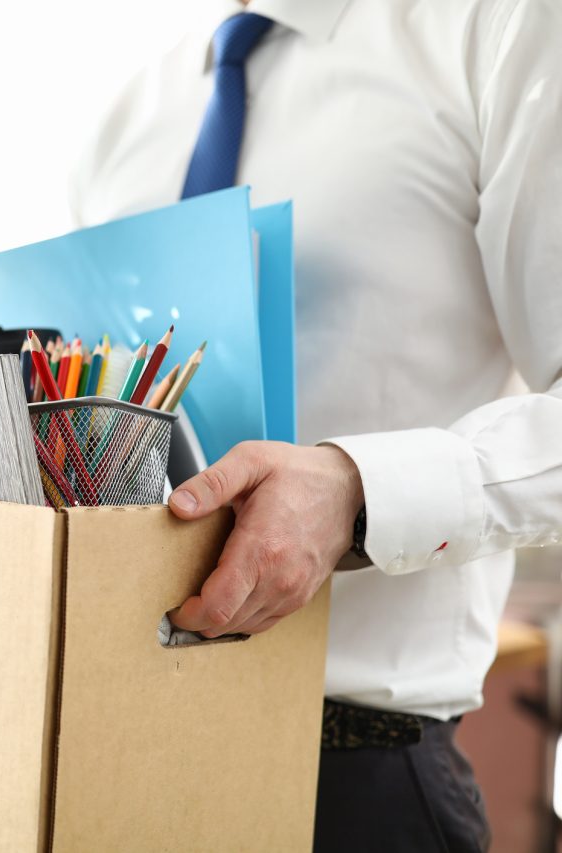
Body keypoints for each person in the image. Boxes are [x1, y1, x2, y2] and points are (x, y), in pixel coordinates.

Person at [71, 0, 562, 850]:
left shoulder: (500, 26)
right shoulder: (125, 111)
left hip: (354, 780)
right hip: (109, 762)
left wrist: (358, 491)